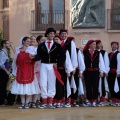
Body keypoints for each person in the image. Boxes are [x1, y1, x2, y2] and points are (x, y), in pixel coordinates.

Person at [31, 28, 66, 109]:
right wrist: (33, 58)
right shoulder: (41, 45)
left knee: (51, 83)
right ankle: (44, 101)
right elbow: (39, 56)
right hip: (43, 65)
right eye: (50, 34)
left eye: (53, 34)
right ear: (47, 34)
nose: (52, 35)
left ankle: (50, 102)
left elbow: (63, 56)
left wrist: (58, 63)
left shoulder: (57, 45)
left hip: (52, 66)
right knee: (43, 83)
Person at [11, 37, 40, 109]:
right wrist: (14, 72)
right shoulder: (18, 50)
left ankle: (27, 103)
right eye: (27, 41)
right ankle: (23, 103)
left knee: (29, 88)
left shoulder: (33, 50)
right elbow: (15, 62)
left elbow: (37, 60)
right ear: (23, 41)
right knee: (21, 88)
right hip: (20, 71)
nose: (29, 42)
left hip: (29, 70)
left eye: (30, 41)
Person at [83, 40, 106, 107]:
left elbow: (101, 62)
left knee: (95, 86)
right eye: (93, 44)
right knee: (88, 86)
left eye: (95, 44)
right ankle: (90, 100)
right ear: (89, 45)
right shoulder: (85, 53)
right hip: (87, 72)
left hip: (96, 72)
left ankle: (95, 100)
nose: (94, 45)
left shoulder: (98, 53)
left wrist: (101, 71)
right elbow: (82, 62)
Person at [59, 29, 78, 107]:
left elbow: (73, 55)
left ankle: (68, 100)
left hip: (68, 67)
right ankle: (61, 99)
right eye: (62, 34)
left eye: (65, 34)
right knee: (60, 84)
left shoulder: (71, 43)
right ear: (60, 35)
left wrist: (73, 68)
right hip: (60, 67)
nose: (64, 35)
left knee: (68, 84)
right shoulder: (58, 43)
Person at [53, 35, 73, 108]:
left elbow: (67, 61)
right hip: (52, 70)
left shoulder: (64, 50)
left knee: (60, 86)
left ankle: (60, 100)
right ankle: (54, 100)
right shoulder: (51, 50)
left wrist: (68, 71)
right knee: (53, 85)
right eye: (54, 39)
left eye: (57, 39)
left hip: (61, 70)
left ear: (60, 41)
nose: (55, 41)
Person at [27, 36, 41, 108]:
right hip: (28, 69)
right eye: (31, 39)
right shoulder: (26, 49)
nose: (32, 40)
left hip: (37, 69)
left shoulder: (37, 49)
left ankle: (35, 101)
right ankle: (28, 101)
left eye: (34, 39)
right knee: (30, 86)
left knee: (37, 86)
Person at [96, 40, 110, 106]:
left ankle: (102, 99)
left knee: (102, 86)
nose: (98, 45)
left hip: (102, 72)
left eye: (99, 44)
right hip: (95, 72)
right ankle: (96, 99)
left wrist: (105, 71)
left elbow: (106, 62)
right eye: (97, 44)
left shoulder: (104, 53)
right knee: (96, 86)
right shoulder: (94, 52)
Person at [108, 42, 120, 106]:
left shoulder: (119, 54)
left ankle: (118, 100)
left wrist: (118, 72)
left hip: (116, 73)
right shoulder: (109, 54)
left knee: (117, 86)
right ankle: (113, 101)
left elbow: (119, 63)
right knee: (111, 86)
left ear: (117, 46)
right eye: (113, 45)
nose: (114, 46)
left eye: (115, 45)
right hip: (110, 73)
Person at [0, 40, 11, 105]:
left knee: (4, 86)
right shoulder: (2, 53)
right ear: (4, 44)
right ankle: (1, 101)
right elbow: (1, 64)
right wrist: (7, 71)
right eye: (8, 43)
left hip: (6, 71)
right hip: (3, 72)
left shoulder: (6, 52)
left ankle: (3, 100)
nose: (9, 44)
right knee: (2, 86)